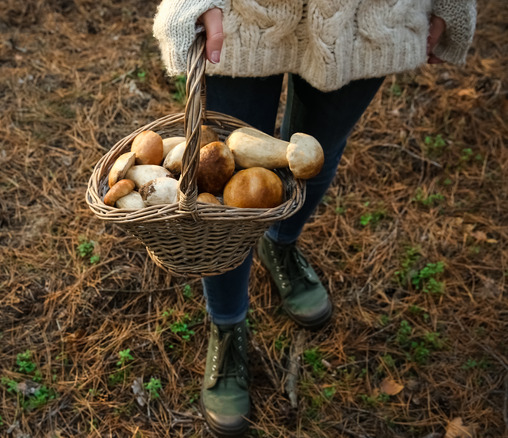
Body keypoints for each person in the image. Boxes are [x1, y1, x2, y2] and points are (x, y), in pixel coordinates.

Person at [152, 1, 476, 436]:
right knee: (217, 178)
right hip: (243, 11)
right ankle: (227, 323)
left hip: (366, 14)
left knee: (313, 157)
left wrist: (453, 5)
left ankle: (279, 243)